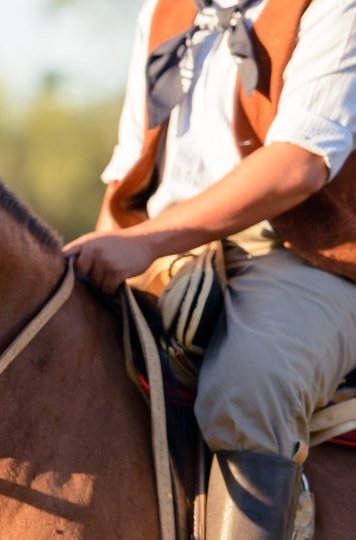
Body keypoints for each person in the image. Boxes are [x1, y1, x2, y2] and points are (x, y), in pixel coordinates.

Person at [64, 0, 356, 538]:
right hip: (163, 248)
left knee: (250, 383)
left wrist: (146, 241)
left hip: (304, 254)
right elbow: (131, 164)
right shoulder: (162, 11)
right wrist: (101, 257)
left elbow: (300, 163)